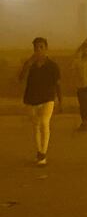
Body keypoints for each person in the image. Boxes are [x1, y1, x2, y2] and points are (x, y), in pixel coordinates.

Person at [18, 37, 62, 166]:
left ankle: (43, 153)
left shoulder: (53, 66)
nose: (38, 50)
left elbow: (58, 84)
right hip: (31, 99)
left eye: (41, 47)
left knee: (44, 122)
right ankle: (39, 152)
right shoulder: (31, 66)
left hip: (48, 98)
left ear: (46, 48)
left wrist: (60, 100)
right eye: (36, 47)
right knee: (36, 125)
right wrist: (27, 64)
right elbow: (20, 78)